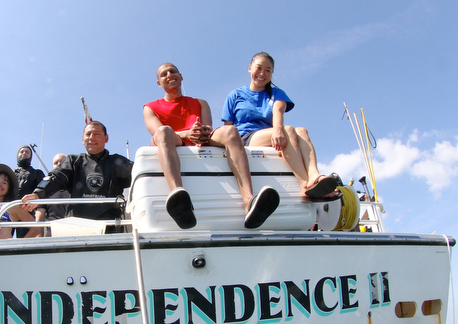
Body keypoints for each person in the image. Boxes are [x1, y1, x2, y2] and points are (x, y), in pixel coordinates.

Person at [143, 62, 280, 229]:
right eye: (164, 74)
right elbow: (157, 133)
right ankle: (179, 198)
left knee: (230, 131)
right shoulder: (150, 108)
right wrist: (187, 133)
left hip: (200, 138)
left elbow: (207, 127)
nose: (170, 75)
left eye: (173, 71)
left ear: (181, 76)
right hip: (174, 138)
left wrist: (201, 132)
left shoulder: (201, 103)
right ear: (159, 83)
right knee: (165, 132)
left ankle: (249, 201)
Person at [222, 52, 339, 200]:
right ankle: (305, 184)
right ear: (250, 68)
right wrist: (279, 131)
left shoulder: (276, 93)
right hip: (245, 138)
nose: (262, 73)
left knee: (301, 130)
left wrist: (278, 130)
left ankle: (314, 175)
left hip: (272, 134)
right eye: (259, 68)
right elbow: (228, 127)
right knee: (288, 129)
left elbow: (278, 110)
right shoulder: (235, 95)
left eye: (268, 70)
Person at [22, 122, 132, 222]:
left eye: (97, 134)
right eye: (88, 134)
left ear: (106, 138)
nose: (91, 137)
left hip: (110, 227)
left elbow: (139, 173)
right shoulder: (73, 162)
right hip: (77, 227)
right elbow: (54, 177)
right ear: (82, 139)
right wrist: (38, 193)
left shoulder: (118, 163)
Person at [0, 163, 42, 239]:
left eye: (4, 183)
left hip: (4, 248)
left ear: (9, 188)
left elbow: (36, 228)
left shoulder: (13, 206)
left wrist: (18, 245)